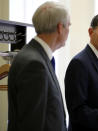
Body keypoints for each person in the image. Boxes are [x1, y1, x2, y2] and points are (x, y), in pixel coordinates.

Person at [8, 1, 71, 131]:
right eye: (68, 25)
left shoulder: (37, 56)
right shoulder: (34, 64)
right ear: (60, 28)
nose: (69, 30)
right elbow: (31, 124)